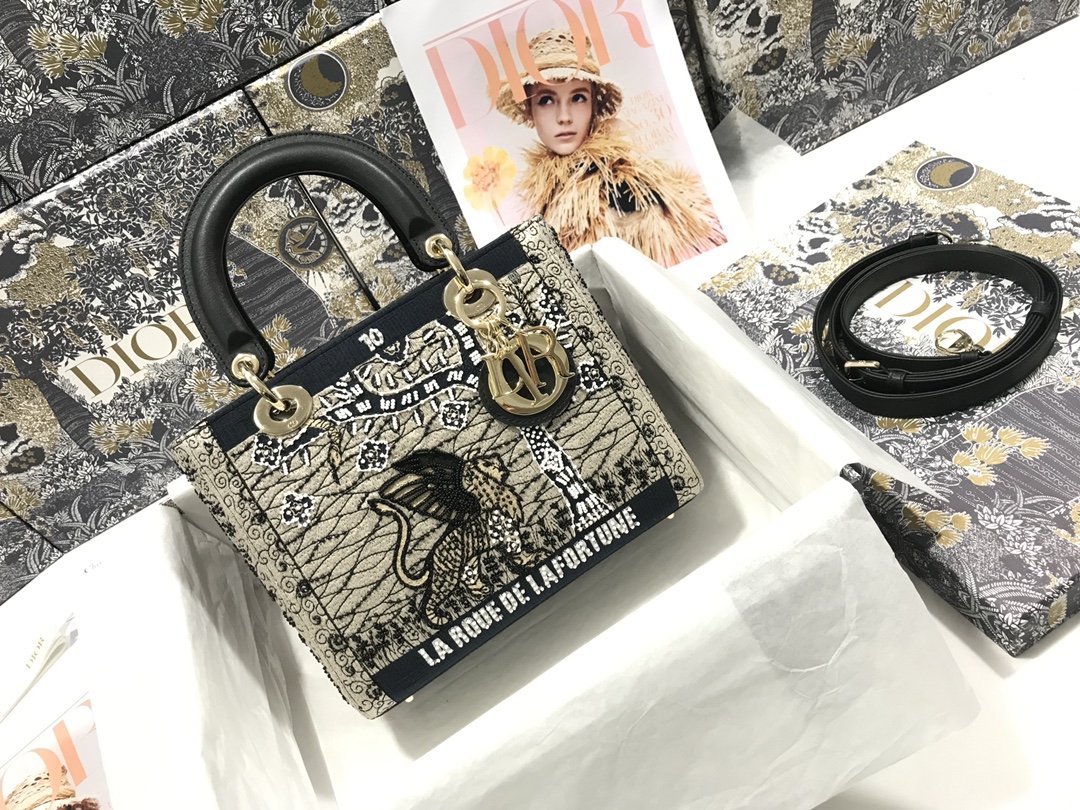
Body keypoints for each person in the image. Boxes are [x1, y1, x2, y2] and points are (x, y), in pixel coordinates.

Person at [496, 28, 726, 267]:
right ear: (530, 110)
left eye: (578, 98)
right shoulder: (544, 189)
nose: (564, 117)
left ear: (593, 105)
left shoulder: (615, 178)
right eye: (546, 100)